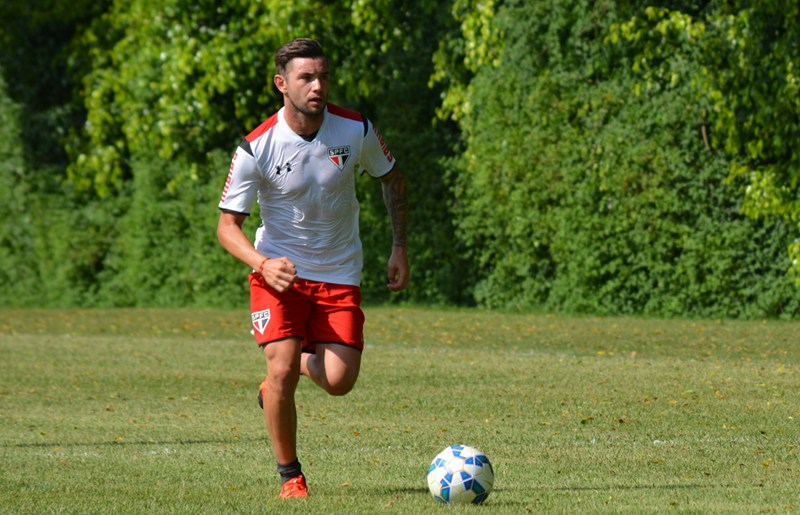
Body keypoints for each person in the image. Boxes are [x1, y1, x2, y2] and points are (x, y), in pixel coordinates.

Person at [216, 38, 409, 499]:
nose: (317, 85)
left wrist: (398, 246)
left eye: (323, 76)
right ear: (282, 83)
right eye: (306, 77)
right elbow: (227, 228)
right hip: (278, 275)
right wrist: (263, 264)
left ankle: (289, 366)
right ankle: (291, 476)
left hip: (340, 272)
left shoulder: (355, 129)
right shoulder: (256, 146)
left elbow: (392, 179)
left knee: (340, 382)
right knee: (280, 369)